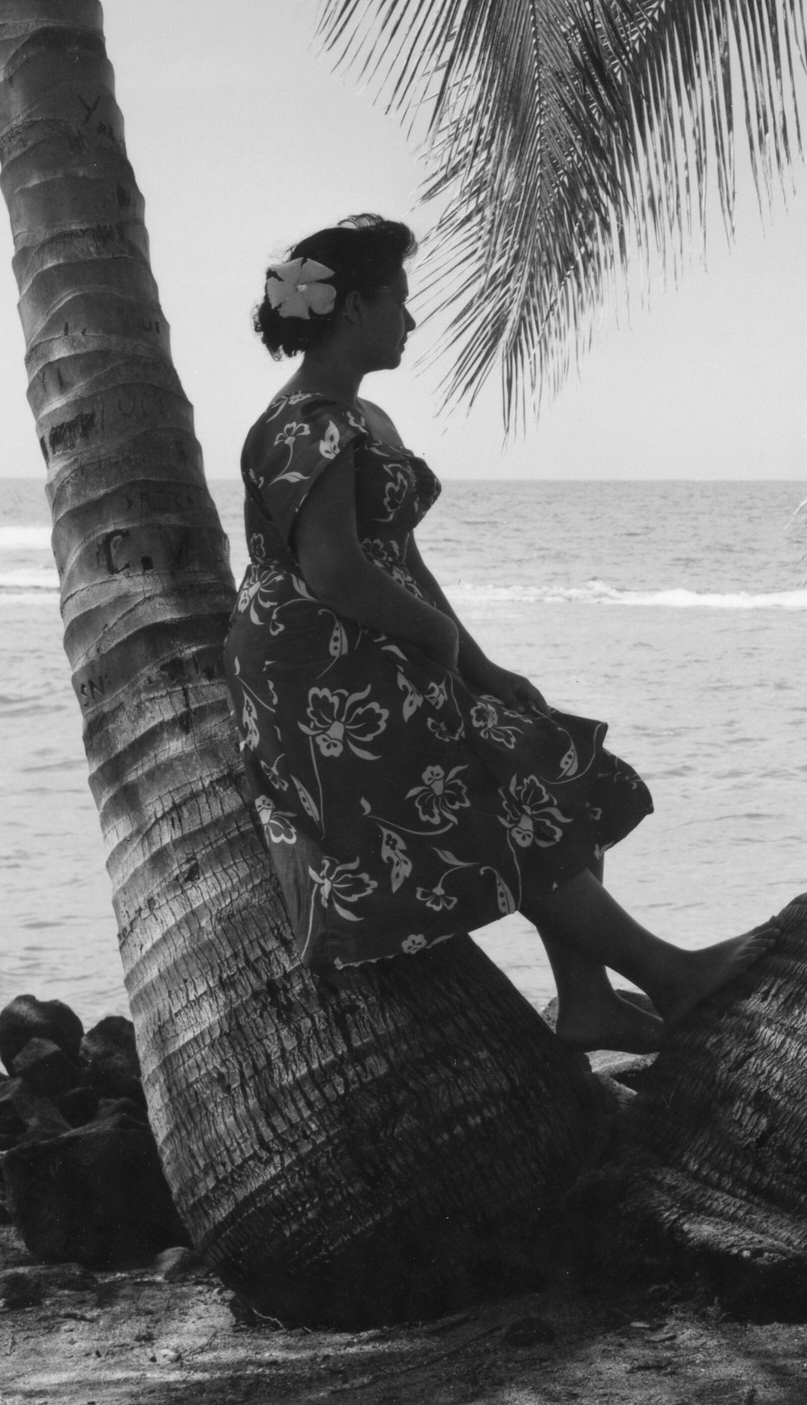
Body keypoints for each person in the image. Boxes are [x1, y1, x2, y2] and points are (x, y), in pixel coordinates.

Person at [225, 212, 760, 1052]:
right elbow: (333, 571)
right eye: (400, 300)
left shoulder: (365, 419)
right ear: (355, 307)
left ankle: (587, 1000)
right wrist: (435, 644)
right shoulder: (305, 425)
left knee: (548, 755)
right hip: (320, 678)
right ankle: (667, 973)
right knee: (498, 793)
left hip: (381, 648)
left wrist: (477, 662)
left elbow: (402, 562)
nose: (412, 319)